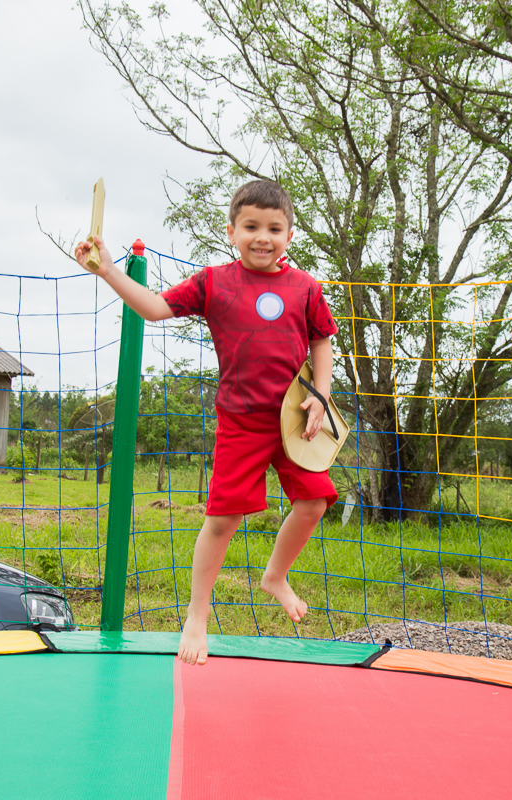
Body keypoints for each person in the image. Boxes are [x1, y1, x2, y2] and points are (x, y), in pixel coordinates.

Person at [74, 179, 339, 665]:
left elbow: (321, 341)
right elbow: (155, 309)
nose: (263, 236)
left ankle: (275, 576)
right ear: (232, 231)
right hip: (240, 421)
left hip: (292, 417)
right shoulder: (215, 281)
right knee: (223, 520)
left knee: (315, 502)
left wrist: (321, 394)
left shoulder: (306, 288)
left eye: (274, 228)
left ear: (290, 234)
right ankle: (197, 615)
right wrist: (108, 269)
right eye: (252, 226)